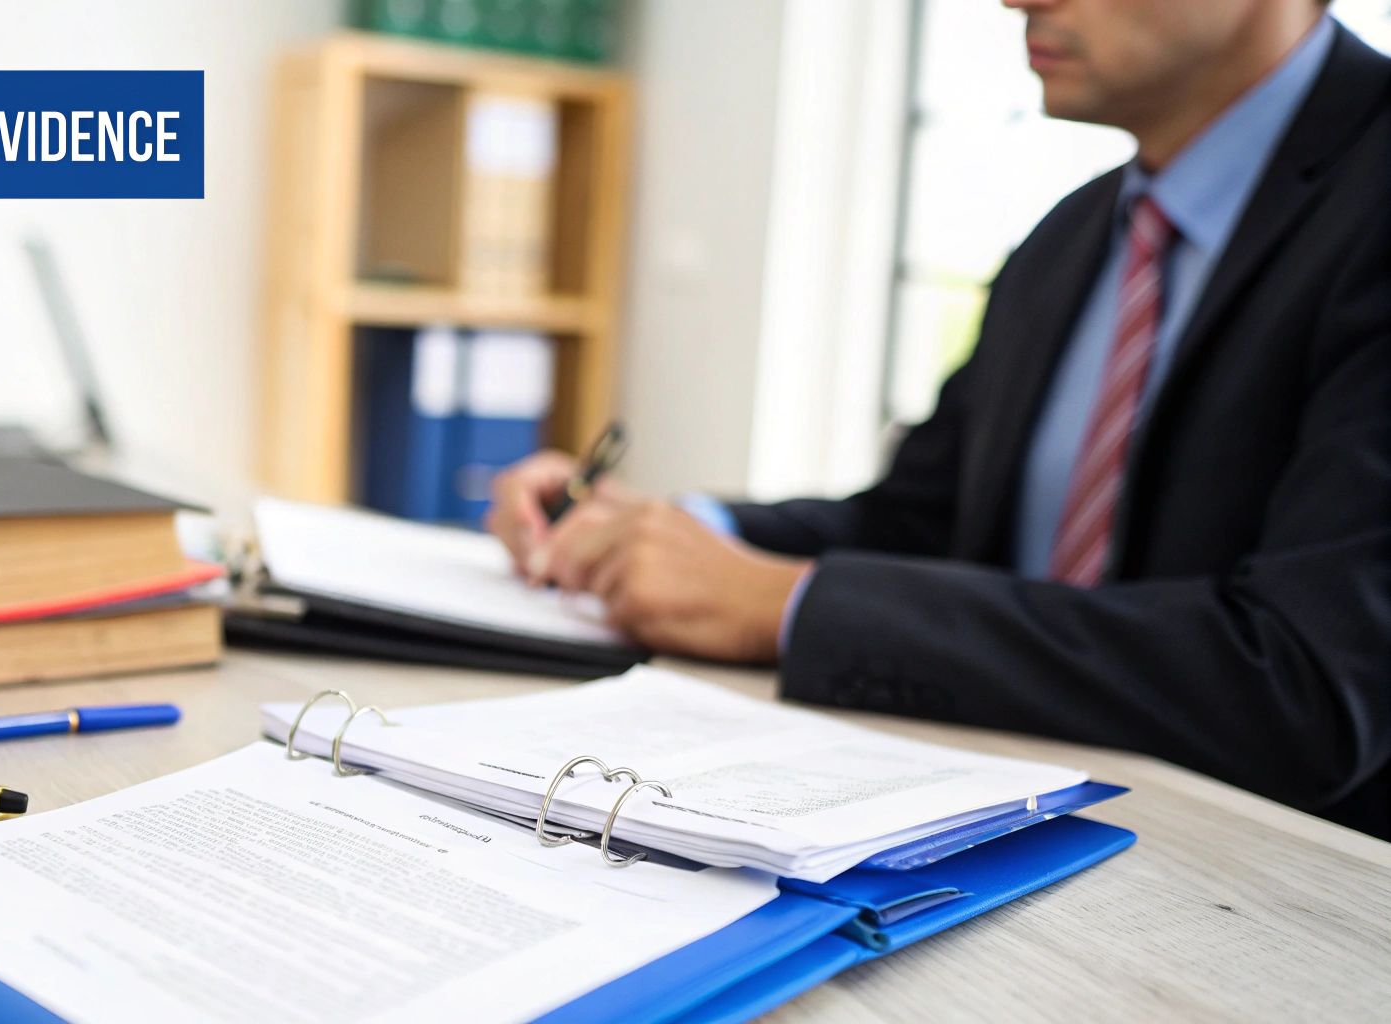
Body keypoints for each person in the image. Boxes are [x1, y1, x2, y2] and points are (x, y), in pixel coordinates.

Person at [485, 0, 1391, 837]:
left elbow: (1306, 685)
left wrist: (787, 603)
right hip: (1012, 819)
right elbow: (917, 523)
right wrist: (667, 533)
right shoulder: (1072, 238)